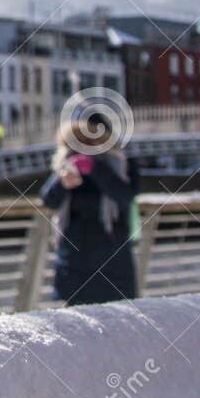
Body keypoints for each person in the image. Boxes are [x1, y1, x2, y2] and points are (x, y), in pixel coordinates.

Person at [40, 114, 139, 305]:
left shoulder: (122, 165)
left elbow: (125, 197)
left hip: (112, 261)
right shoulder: (67, 163)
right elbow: (49, 200)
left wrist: (94, 169)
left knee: (117, 322)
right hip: (74, 262)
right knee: (76, 324)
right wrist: (63, 180)